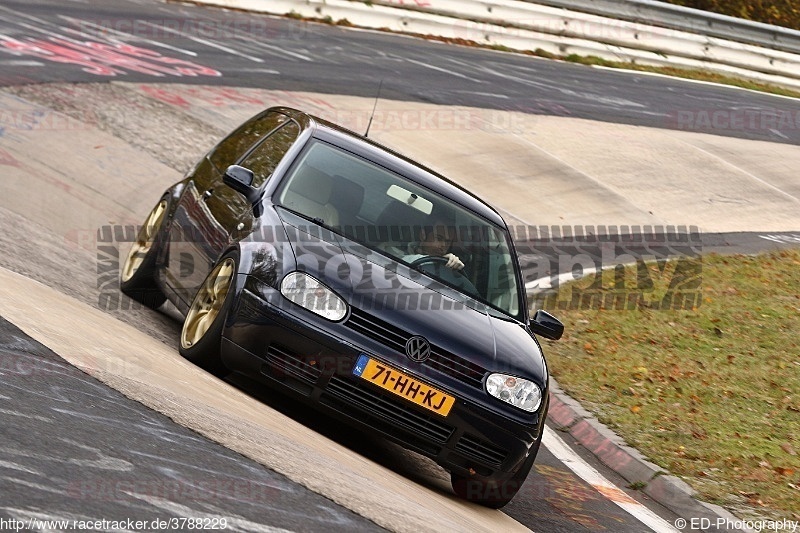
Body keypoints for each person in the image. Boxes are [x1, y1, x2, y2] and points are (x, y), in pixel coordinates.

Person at [403, 220, 478, 295]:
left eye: (447, 242)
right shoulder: (398, 254)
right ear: (423, 235)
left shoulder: (446, 265)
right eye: (439, 239)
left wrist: (454, 272)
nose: (443, 246)